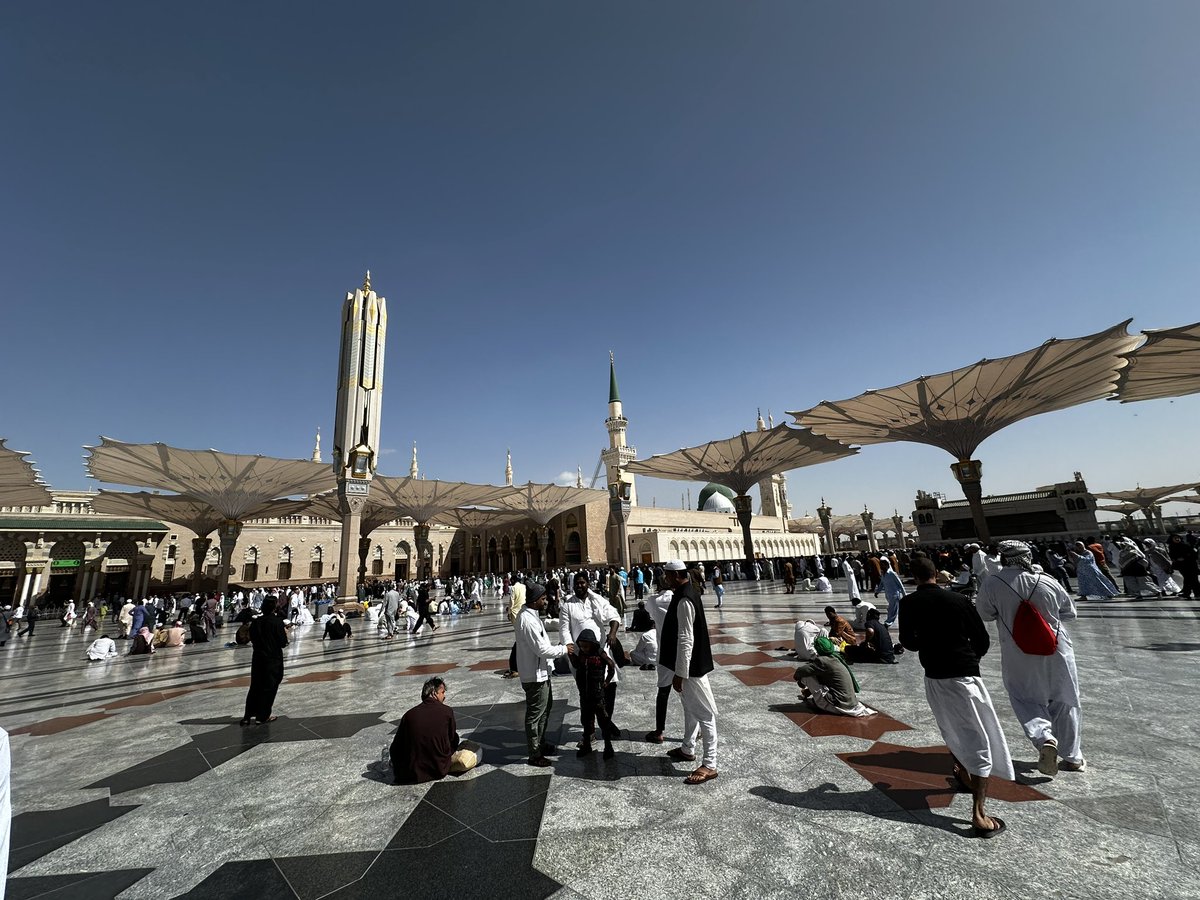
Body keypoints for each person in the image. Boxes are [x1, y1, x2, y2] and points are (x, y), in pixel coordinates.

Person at [900, 556, 1012, 838]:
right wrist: (968, 657)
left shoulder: (908, 603)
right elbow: (983, 640)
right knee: (979, 737)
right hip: (963, 676)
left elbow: (908, 642)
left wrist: (929, 642)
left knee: (951, 729)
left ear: (912, 577)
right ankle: (979, 814)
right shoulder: (958, 601)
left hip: (934, 677)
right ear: (936, 574)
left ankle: (964, 774)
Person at [976, 541, 1086, 777]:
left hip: (1018, 652)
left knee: (1024, 698)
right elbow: (1069, 613)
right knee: (1065, 700)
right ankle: (1073, 757)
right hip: (1057, 649)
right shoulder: (1047, 580)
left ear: (1003, 559)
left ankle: (1044, 737)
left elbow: (984, 614)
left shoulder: (992, 583)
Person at [660, 561, 718, 785]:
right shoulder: (685, 592)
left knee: (705, 714)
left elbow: (686, 638)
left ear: (675, 575)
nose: (664, 578)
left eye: (667, 575)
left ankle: (710, 764)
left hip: (691, 669)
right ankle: (687, 748)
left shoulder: (685, 599)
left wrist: (681, 673)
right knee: (690, 708)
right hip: (686, 667)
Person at [513, 582, 571, 767]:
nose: (546, 602)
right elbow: (542, 649)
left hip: (541, 672)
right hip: (534, 674)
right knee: (535, 713)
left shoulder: (532, 616)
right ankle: (534, 753)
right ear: (534, 600)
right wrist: (564, 649)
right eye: (543, 599)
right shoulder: (527, 620)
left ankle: (541, 742)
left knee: (545, 708)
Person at [560, 572, 622, 729]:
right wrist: (571, 651)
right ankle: (589, 731)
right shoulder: (568, 605)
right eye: (577, 583)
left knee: (610, 685)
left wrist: (612, 633)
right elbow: (564, 630)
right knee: (586, 693)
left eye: (582, 583)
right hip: (580, 655)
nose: (580, 586)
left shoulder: (597, 601)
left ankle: (606, 720)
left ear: (588, 584)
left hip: (600, 651)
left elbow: (613, 615)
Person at [389, 677, 478, 783]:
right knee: (474, 750)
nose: (444, 696)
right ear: (434, 693)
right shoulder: (446, 711)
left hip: (410, 773)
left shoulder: (409, 715)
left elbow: (395, 748)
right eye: (442, 692)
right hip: (438, 769)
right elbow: (452, 740)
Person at [794, 636, 874, 716]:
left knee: (807, 676)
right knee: (818, 675)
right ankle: (809, 693)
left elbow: (800, 671)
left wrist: (800, 682)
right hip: (850, 703)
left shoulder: (822, 661)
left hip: (839, 705)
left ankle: (821, 702)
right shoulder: (836, 657)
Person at [241, 596, 289, 726]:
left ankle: (247, 716)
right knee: (270, 686)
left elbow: (252, 637)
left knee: (255, 686)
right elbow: (283, 642)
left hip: (258, 658)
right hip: (273, 659)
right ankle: (262, 716)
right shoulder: (277, 622)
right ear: (275, 607)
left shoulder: (256, 622)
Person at [574, 629, 619, 759]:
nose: (584, 648)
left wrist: (606, 681)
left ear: (593, 644)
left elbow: (611, 665)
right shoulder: (582, 655)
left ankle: (608, 746)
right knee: (586, 722)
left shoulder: (599, 654)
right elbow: (577, 666)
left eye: (586, 646)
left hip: (597, 695)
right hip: (585, 695)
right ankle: (587, 745)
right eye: (581, 646)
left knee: (603, 722)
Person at [642, 570, 676, 744]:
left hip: (665, 654)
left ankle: (659, 731)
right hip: (682, 652)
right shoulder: (680, 600)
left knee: (663, 691)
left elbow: (649, 612)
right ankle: (696, 730)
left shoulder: (653, 601)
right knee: (688, 693)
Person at [874, 558, 906, 628]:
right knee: (892, 608)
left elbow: (900, 584)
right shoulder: (883, 574)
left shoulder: (892, 574)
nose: (881, 566)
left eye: (883, 565)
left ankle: (888, 622)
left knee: (892, 609)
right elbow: (881, 584)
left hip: (894, 594)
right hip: (888, 595)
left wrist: (904, 594)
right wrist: (877, 592)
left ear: (886, 565)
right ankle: (890, 620)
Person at [1169, 534, 1200, 600]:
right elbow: (1172, 556)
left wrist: (1185, 557)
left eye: (1178, 537)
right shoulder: (1172, 547)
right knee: (1188, 579)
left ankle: (1193, 593)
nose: (1177, 539)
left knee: (1192, 579)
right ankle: (1189, 593)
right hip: (1182, 566)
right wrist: (1177, 559)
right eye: (1175, 538)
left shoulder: (1185, 545)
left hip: (1191, 564)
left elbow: (1193, 554)